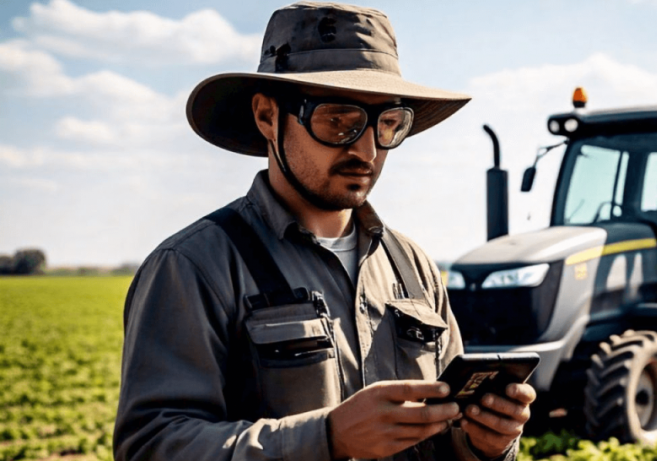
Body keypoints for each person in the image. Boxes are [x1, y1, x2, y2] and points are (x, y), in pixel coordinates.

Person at [113, 2, 535, 461]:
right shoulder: (195, 266)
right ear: (267, 116)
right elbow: (151, 446)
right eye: (338, 121)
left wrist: (484, 444)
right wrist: (327, 437)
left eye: (387, 124)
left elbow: (446, 437)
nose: (367, 150)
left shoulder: (413, 267)